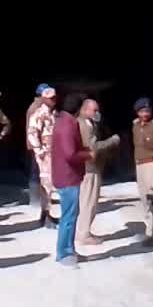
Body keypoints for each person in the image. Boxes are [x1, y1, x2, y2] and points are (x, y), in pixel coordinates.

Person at [51, 93, 93, 268]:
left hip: (64, 175)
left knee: (71, 215)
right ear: (77, 108)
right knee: (68, 217)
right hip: (68, 176)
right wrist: (88, 154)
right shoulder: (68, 124)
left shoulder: (62, 120)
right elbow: (70, 153)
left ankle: (70, 249)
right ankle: (63, 253)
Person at [76, 97, 119, 246]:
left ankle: (83, 231)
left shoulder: (86, 123)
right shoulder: (85, 124)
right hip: (89, 167)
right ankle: (83, 234)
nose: (97, 113)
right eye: (94, 110)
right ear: (85, 109)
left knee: (87, 201)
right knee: (89, 202)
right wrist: (112, 141)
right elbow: (93, 147)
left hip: (89, 167)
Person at [131, 97, 153, 245]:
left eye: (147, 110)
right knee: (144, 200)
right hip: (140, 164)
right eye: (142, 111)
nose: (145, 113)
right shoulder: (135, 125)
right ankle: (151, 229)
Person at [25, 84, 59, 228]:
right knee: (46, 185)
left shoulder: (52, 112)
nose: (54, 100)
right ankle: (46, 217)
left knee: (50, 185)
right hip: (44, 154)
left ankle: (46, 215)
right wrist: (39, 151)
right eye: (51, 98)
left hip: (52, 153)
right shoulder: (39, 113)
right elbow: (32, 133)